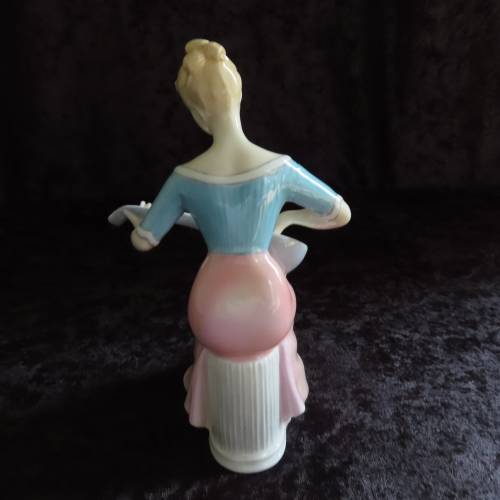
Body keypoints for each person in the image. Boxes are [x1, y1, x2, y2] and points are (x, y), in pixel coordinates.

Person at [130, 39, 351, 472]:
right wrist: (285, 220)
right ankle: (272, 419)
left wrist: (149, 220)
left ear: (197, 113)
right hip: (267, 300)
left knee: (211, 334)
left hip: (213, 305)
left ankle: (223, 430)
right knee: (278, 327)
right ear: (240, 93)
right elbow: (339, 212)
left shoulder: (184, 177)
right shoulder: (279, 167)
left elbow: (144, 240)